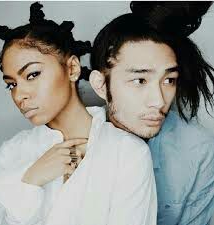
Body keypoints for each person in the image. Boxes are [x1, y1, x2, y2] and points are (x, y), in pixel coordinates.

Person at [0, 2, 157, 225]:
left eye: (32, 75)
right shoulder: (10, 153)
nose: (20, 95)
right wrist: (31, 180)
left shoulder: (127, 152)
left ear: (72, 68)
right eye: (11, 85)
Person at [89, 2, 214, 225]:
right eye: (140, 80)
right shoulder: (72, 141)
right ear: (100, 85)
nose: (159, 100)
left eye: (169, 80)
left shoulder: (198, 150)